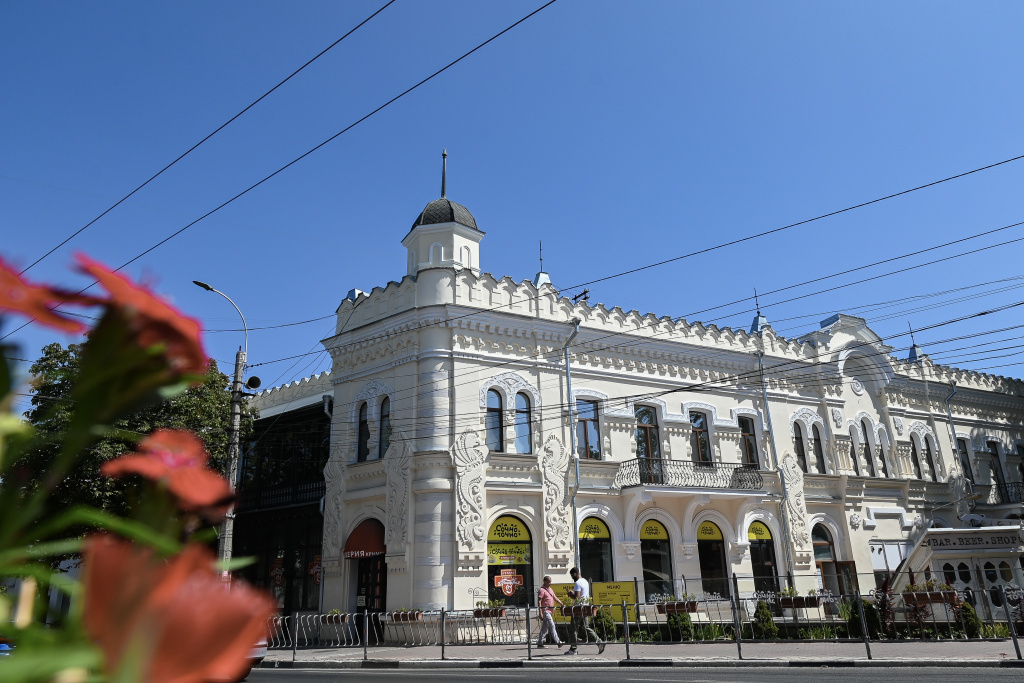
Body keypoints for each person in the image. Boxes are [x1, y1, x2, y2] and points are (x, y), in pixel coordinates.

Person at [564, 567, 605, 655]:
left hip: (578, 608)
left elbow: (577, 597)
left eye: (572, 575)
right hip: (586, 607)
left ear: (575, 573)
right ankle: (599, 641)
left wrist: (570, 594)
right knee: (585, 627)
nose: (572, 578)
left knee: (574, 629)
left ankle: (573, 649)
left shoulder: (578, 583)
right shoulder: (585, 581)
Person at [535, 575, 564, 648]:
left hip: (550, 611)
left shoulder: (550, 589)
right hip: (545, 611)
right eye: (549, 582)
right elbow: (539, 601)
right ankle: (558, 642)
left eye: (550, 582)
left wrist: (561, 604)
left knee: (544, 628)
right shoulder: (541, 590)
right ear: (545, 582)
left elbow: (554, 597)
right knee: (552, 625)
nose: (550, 583)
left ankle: (540, 642)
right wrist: (540, 612)